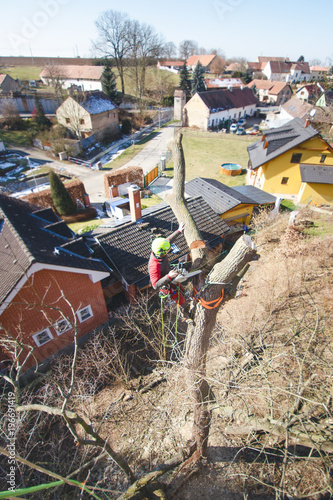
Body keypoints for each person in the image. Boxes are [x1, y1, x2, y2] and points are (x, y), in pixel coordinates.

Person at [148, 222, 187, 309]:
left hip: (170, 275)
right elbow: (155, 285)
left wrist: (179, 231)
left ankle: (185, 298)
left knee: (182, 289)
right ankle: (183, 312)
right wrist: (169, 276)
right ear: (163, 253)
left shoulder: (158, 249)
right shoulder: (154, 266)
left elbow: (168, 241)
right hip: (165, 284)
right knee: (180, 299)